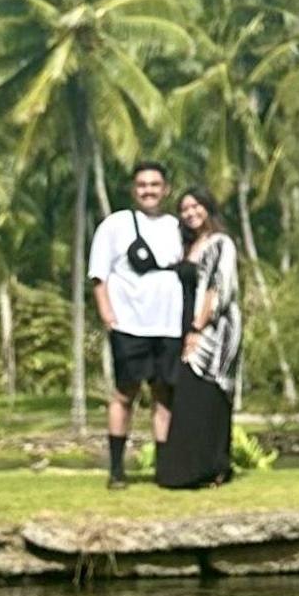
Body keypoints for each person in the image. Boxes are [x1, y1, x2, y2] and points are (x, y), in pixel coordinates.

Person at [89, 159, 184, 489]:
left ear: (166, 189)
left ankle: (165, 468)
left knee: (164, 395)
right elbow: (98, 275)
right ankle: (116, 469)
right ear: (134, 189)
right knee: (124, 393)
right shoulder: (116, 225)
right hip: (130, 324)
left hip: (168, 325)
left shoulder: (176, 227)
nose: (149, 191)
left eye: (155, 185)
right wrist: (108, 314)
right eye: (143, 185)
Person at [157, 187, 242, 490]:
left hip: (213, 333)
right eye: (184, 209)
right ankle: (187, 469)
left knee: (208, 397)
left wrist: (197, 329)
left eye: (196, 206)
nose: (190, 213)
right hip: (186, 327)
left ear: (208, 208)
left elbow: (217, 290)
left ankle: (214, 469)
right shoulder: (188, 245)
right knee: (189, 400)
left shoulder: (221, 243)